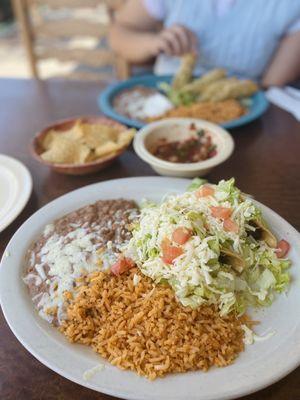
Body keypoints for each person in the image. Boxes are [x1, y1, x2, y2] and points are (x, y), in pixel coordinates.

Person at [109, 0, 300, 87]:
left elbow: (270, 87)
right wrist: (153, 43)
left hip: (243, 109)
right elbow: (120, 32)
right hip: (164, 98)